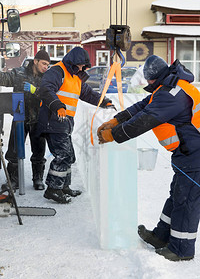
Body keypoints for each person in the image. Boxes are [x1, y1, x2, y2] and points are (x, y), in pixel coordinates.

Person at [97, 55, 200, 261]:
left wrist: (113, 135)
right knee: (177, 195)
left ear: (156, 78)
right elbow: (143, 106)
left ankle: (182, 249)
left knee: (186, 200)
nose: (148, 84)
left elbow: (144, 120)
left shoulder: (172, 93)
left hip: (195, 154)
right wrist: (117, 120)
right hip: (188, 153)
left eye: (149, 80)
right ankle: (162, 236)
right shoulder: (168, 87)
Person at [38, 46, 115, 204]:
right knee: (63, 155)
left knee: (69, 156)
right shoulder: (57, 72)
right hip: (53, 120)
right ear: (73, 62)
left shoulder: (76, 77)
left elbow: (88, 94)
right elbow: (45, 89)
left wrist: (104, 102)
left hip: (64, 122)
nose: (82, 68)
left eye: (83, 67)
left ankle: (63, 186)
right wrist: (57, 105)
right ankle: (53, 189)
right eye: (80, 65)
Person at [0, 50, 50, 192]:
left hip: (38, 119)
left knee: (39, 151)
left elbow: (49, 95)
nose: (46, 67)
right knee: (14, 151)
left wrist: (36, 90)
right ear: (35, 61)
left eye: (47, 64)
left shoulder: (47, 78)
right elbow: (4, 78)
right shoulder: (19, 73)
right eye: (43, 63)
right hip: (20, 117)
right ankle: (13, 180)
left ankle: (38, 178)